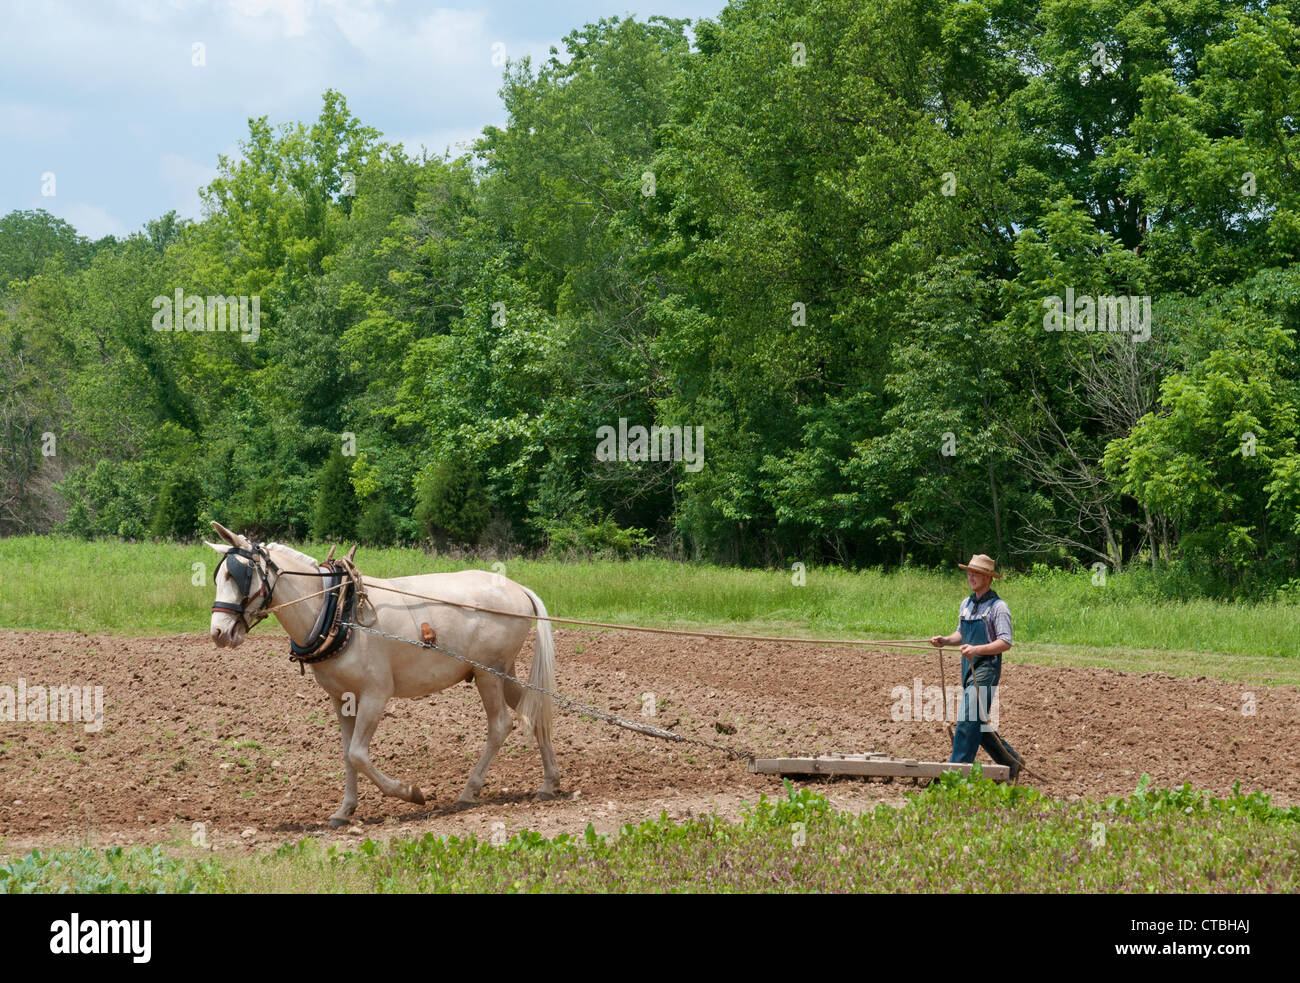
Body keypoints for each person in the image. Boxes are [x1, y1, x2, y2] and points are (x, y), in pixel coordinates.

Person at [929, 554, 1023, 781]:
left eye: (976, 574)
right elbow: (961, 634)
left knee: (967, 720)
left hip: (986, 669)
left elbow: (1005, 642)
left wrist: (976, 650)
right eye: (969, 573)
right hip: (968, 668)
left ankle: (955, 773)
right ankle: (1012, 762)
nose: (971, 577)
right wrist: (945, 640)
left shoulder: (998, 607)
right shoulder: (967, 603)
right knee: (978, 724)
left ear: (988, 578)